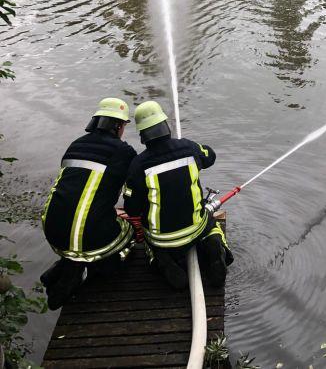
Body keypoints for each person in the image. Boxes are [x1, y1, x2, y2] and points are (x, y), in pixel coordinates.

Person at [123, 101, 233, 290]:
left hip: (162, 239)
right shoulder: (189, 148)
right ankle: (215, 245)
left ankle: (162, 260)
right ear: (165, 126)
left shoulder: (137, 165)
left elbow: (131, 208)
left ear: (142, 135)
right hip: (195, 229)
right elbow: (210, 156)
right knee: (211, 225)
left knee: (152, 241)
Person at [40, 98, 137, 309]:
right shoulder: (124, 152)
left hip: (52, 231)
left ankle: (66, 265)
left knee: (84, 226)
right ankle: (84, 271)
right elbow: (135, 194)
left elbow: (80, 190)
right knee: (129, 231)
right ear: (119, 126)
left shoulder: (75, 145)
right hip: (90, 237)